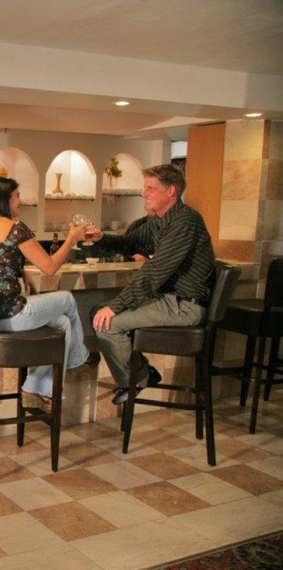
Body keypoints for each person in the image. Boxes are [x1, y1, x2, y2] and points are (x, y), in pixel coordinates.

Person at [90, 164, 215, 404]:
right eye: (144, 188)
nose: (143, 193)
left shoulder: (186, 222)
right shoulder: (160, 220)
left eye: (150, 188)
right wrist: (101, 238)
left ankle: (138, 379)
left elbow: (154, 273)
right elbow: (132, 242)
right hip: (169, 300)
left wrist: (116, 306)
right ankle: (143, 374)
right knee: (97, 312)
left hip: (185, 306)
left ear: (171, 191)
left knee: (107, 324)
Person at [0, 176, 95, 406]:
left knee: (63, 323)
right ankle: (79, 358)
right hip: (13, 315)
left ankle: (36, 386)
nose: (21, 201)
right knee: (68, 299)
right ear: (2, 200)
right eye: (17, 196)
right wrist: (71, 239)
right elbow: (49, 268)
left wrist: (20, 270)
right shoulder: (14, 228)